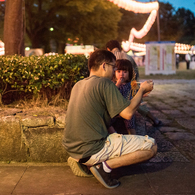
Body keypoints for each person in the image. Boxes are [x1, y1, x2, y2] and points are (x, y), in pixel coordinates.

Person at [63, 49, 157, 189]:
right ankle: (104, 167)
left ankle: (83, 162)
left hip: (73, 148)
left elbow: (107, 115)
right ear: (104, 65)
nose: (114, 71)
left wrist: (136, 98)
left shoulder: (79, 85)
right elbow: (128, 113)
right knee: (152, 146)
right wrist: (141, 89)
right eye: (113, 67)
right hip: (93, 148)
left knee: (114, 136)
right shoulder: (105, 83)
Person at [106, 40, 163, 127]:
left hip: (116, 85)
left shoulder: (109, 58)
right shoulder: (128, 56)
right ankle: (154, 120)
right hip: (131, 83)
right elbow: (135, 71)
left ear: (108, 49)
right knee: (137, 101)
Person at [112, 59, 136, 135]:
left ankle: (133, 136)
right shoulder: (113, 84)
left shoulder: (129, 84)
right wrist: (118, 83)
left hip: (126, 108)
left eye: (125, 72)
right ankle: (114, 135)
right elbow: (112, 92)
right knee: (108, 121)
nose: (121, 74)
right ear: (114, 72)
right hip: (115, 109)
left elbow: (133, 94)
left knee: (130, 122)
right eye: (118, 72)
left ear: (129, 73)